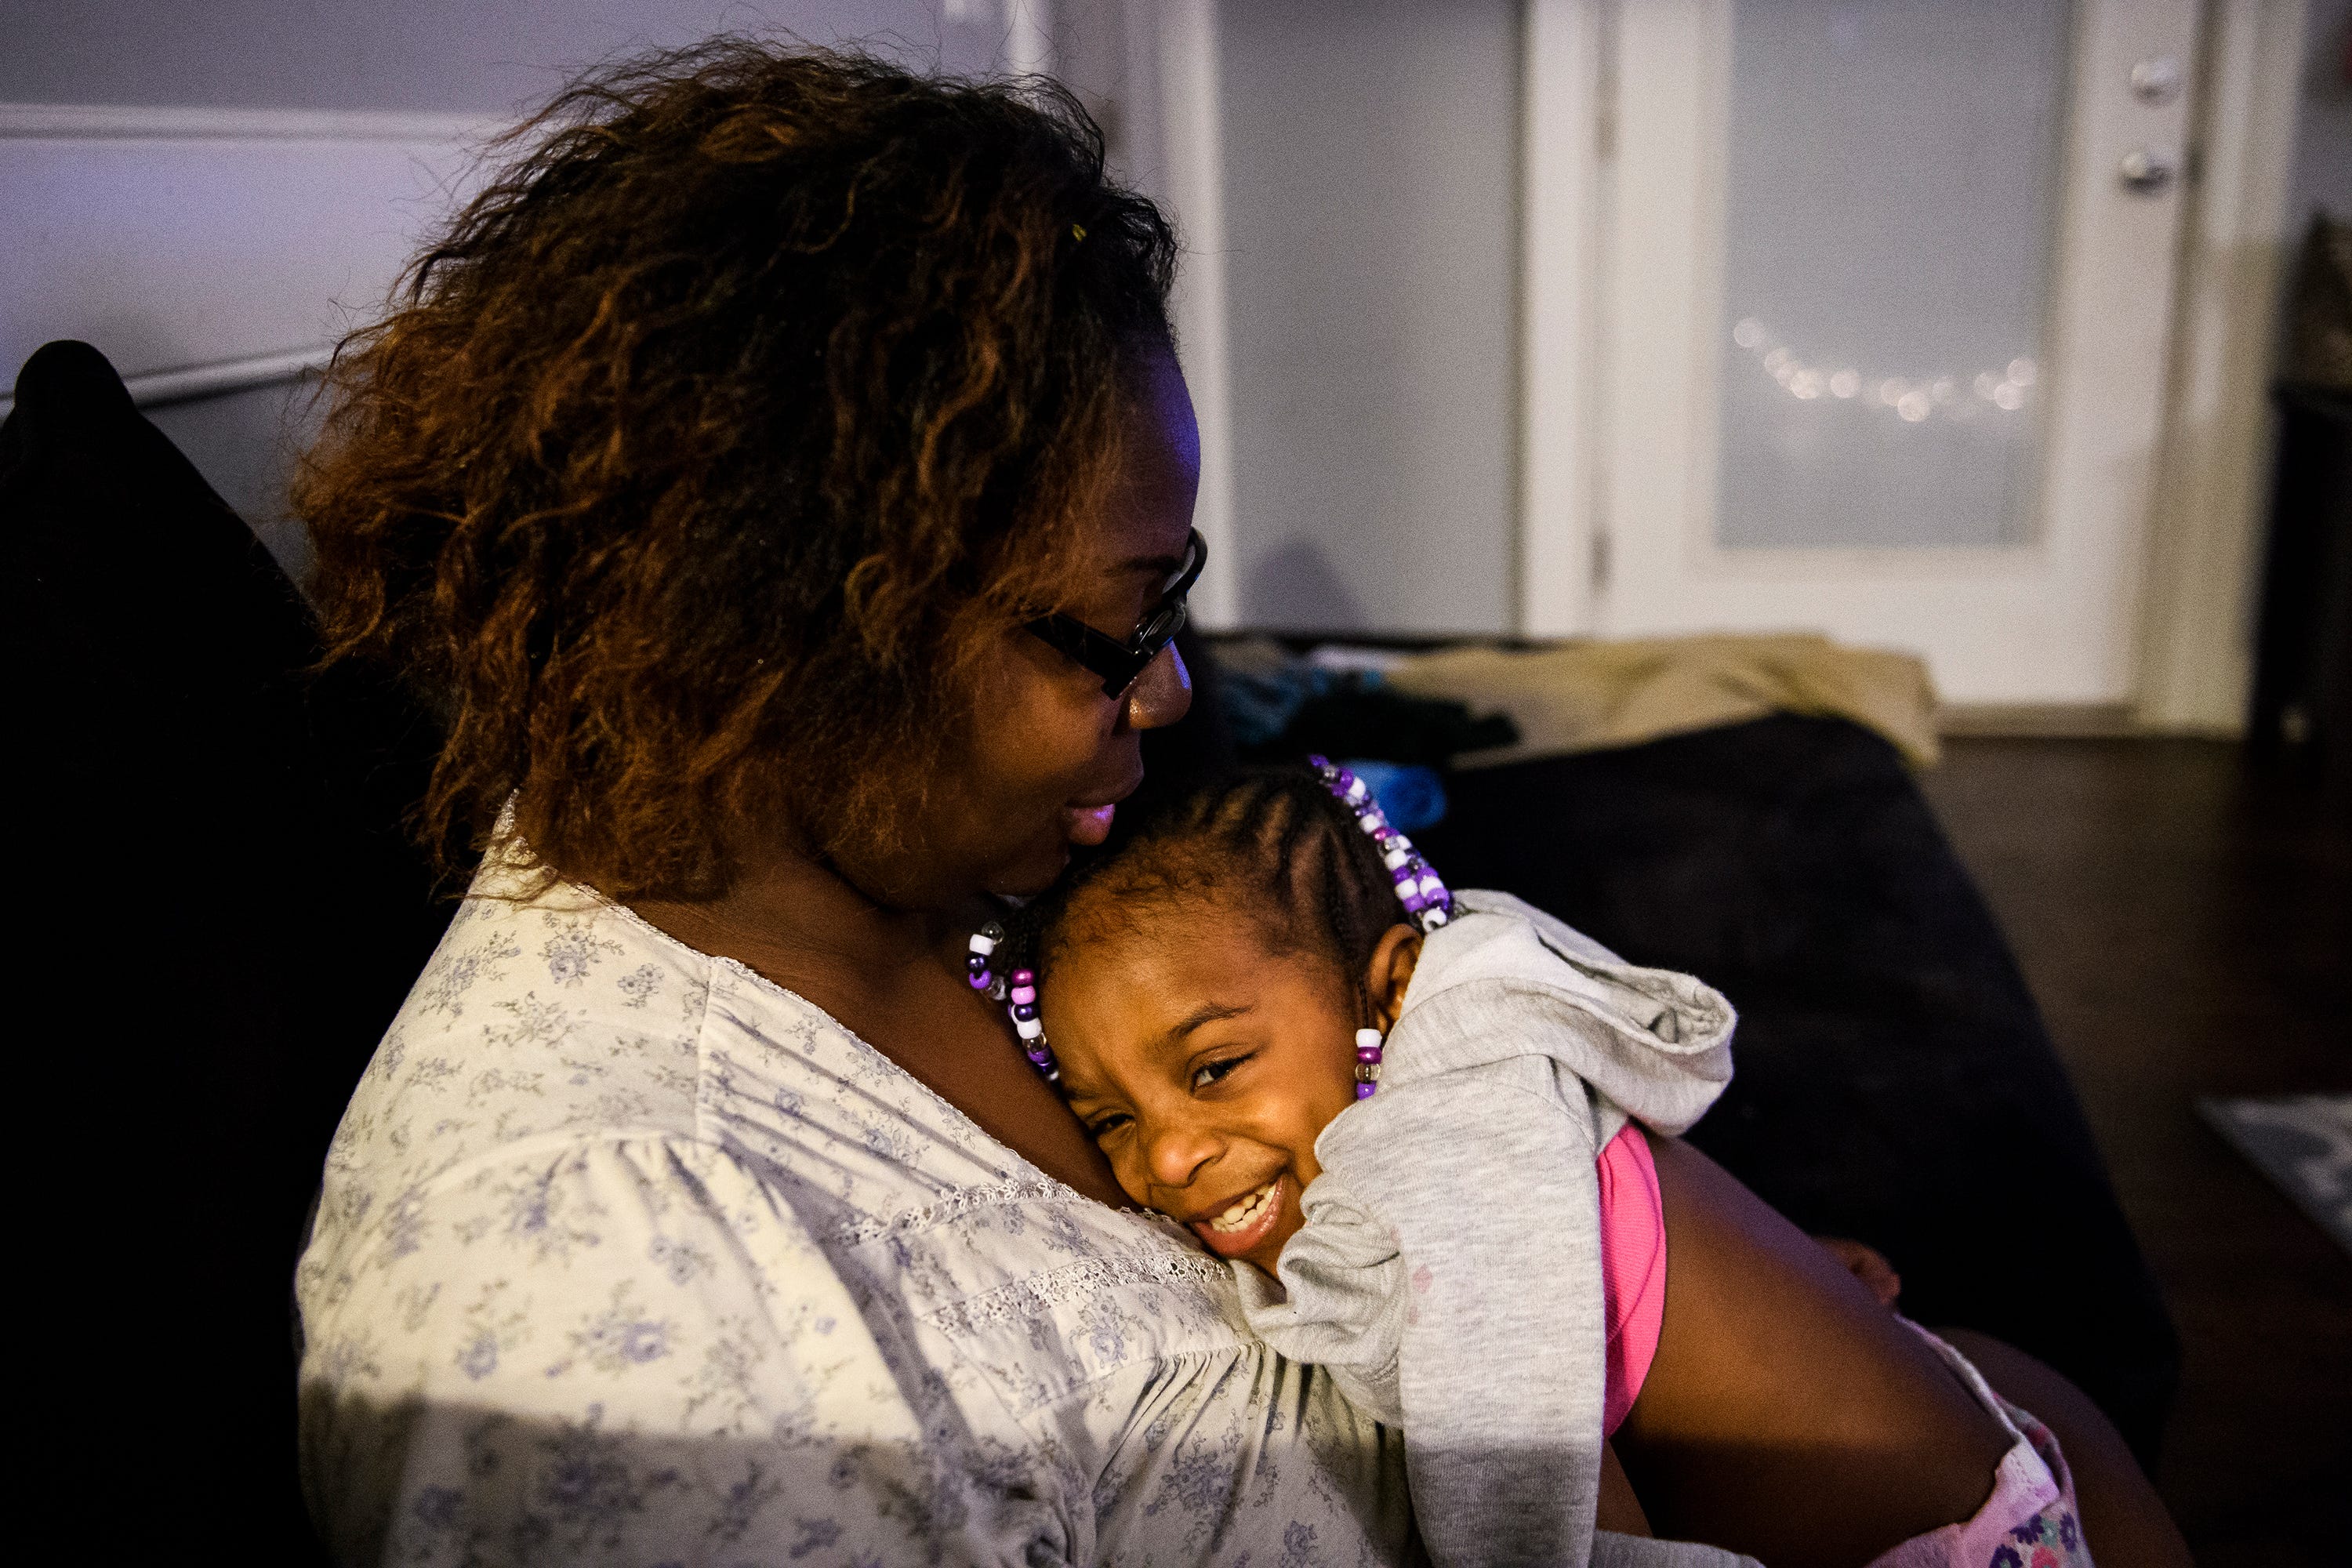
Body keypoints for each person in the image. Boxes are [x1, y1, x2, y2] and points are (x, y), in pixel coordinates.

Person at [1019, 761, 2194, 1568]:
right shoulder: (1481, 1008)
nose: (1167, 1154)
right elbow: (1628, 1152)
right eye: (1108, 1117)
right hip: (1991, 1412)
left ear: (1385, 988)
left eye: (1215, 1067)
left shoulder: (1441, 1180)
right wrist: (1779, 1276)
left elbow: (1543, 1514)